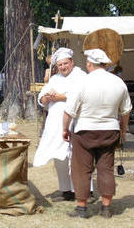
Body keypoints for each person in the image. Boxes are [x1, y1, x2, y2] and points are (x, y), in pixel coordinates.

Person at [63, 49, 132, 218]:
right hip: (110, 130)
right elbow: (126, 111)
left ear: (89, 64)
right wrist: (123, 129)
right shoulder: (119, 83)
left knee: (81, 169)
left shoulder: (82, 82)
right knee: (106, 169)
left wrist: (64, 129)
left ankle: (81, 208)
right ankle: (106, 208)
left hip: (85, 131)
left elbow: (69, 111)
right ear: (104, 64)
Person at [33, 48, 96, 202]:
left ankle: (86, 191)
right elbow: (42, 97)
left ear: (72, 62)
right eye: (60, 65)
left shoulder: (81, 76)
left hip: (75, 121)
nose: (63, 67)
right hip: (55, 123)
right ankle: (66, 190)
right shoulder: (54, 79)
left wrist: (60, 97)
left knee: (78, 157)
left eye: (65, 63)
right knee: (59, 157)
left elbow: (83, 96)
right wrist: (45, 99)